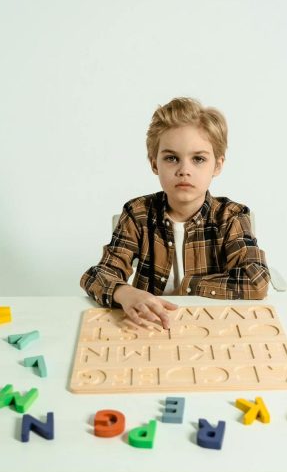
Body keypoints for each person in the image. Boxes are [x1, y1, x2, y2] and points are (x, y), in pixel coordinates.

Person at [80, 97, 270, 329]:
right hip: (151, 325)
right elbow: (98, 275)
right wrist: (124, 292)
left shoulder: (231, 217)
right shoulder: (138, 214)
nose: (184, 170)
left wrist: (190, 288)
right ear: (154, 164)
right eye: (171, 158)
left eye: (198, 159)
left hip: (213, 327)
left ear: (217, 165)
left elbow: (256, 279)